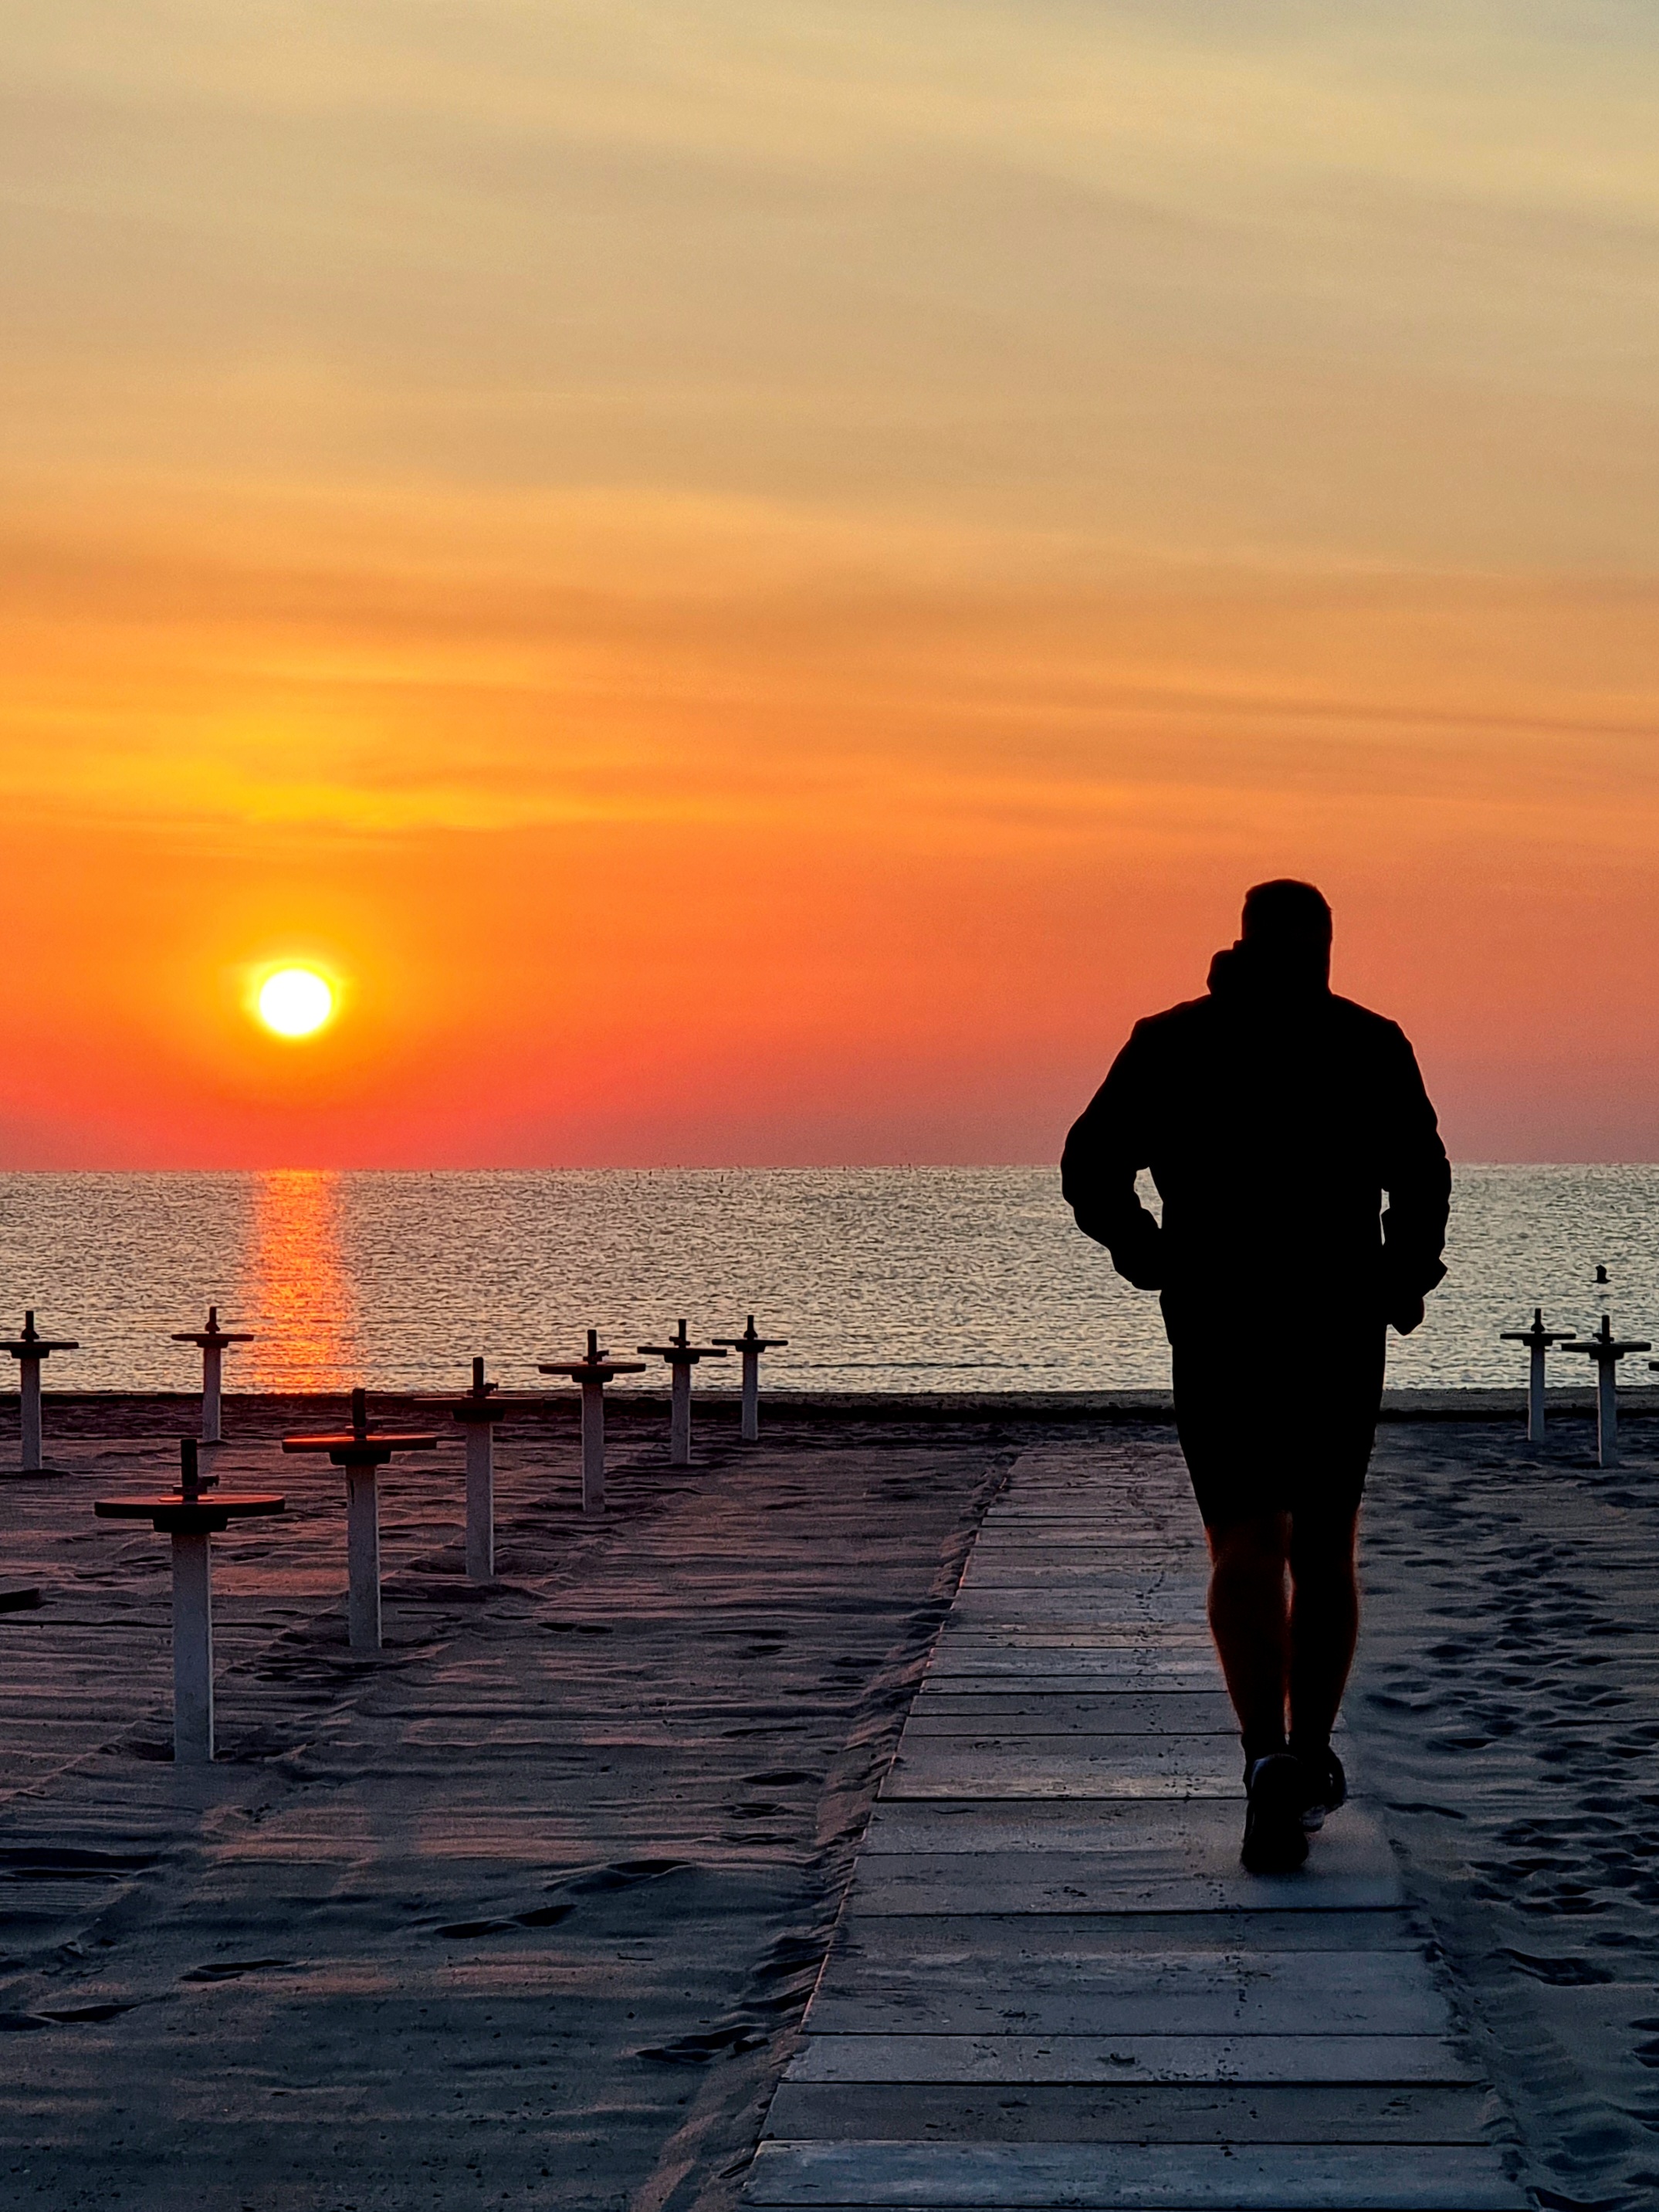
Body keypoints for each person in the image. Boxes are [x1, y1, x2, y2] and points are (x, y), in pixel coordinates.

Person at [1061, 880, 1450, 1872]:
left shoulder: (1180, 1040)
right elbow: (1423, 1176)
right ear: (1321, 945)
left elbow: (1091, 1164)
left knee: (1257, 1536)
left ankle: (1273, 1755)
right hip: (1312, 1318)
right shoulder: (1360, 1041)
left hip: (1239, 1316)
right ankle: (1298, 1754)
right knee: (1311, 1543)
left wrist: (1148, 1251)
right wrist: (1400, 1278)